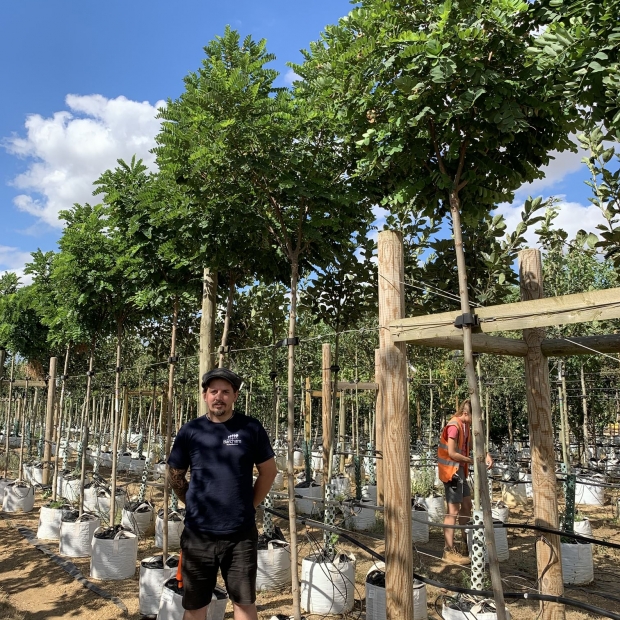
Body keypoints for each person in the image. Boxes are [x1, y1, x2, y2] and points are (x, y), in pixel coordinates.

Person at [168, 368, 277, 620]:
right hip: (198, 535)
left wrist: (249, 505)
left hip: (240, 536)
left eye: (226, 392)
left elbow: (269, 472)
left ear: (235, 396)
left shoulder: (250, 428)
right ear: (205, 395)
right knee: (195, 606)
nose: (219, 397)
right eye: (214, 391)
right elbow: (175, 474)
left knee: (244, 603)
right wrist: (191, 502)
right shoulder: (191, 431)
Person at [437, 398, 493, 565]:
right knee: (452, 511)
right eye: (474, 417)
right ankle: (448, 551)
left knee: (467, 506)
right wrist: (473, 460)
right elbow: (452, 453)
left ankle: (463, 542)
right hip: (451, 471)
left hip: (460, 471)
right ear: (466, 413)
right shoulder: (454, 426)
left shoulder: (465, 426)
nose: (476, 421)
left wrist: (486, 454)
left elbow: (472, 444)